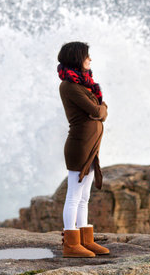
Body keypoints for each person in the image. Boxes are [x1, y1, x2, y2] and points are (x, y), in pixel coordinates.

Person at [57, 41, 110, 258]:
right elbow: (97, 110)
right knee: (74, 195)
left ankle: (85, 240)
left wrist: (101, 109)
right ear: (77, 58)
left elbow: (99, 110)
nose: (90, 60)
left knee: (84, 196)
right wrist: (102, 109)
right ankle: (71, 243)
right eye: (87, 56)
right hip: (79, 147)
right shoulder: (69, 86)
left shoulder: (85, 84)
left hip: (91, 147)